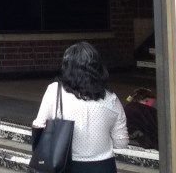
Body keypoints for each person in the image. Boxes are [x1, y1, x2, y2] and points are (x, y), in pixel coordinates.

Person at [33, 42, 129, 173]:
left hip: (64, 164)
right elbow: (121, 142)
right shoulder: (111, 98)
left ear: (67, 68)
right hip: (104, 166)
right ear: (98, 68)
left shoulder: (55, 91)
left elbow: (39, 125)